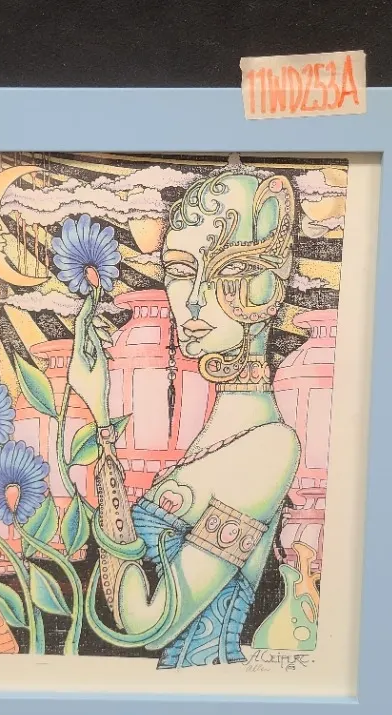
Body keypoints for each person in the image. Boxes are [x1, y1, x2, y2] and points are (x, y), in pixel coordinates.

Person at [69, 162, 300, 668]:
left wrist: (101, 432)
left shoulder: (270, 445)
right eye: (178, 270)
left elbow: (147, 625)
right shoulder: (223, 429)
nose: (193, 300)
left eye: (227, 271)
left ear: (271, 282)